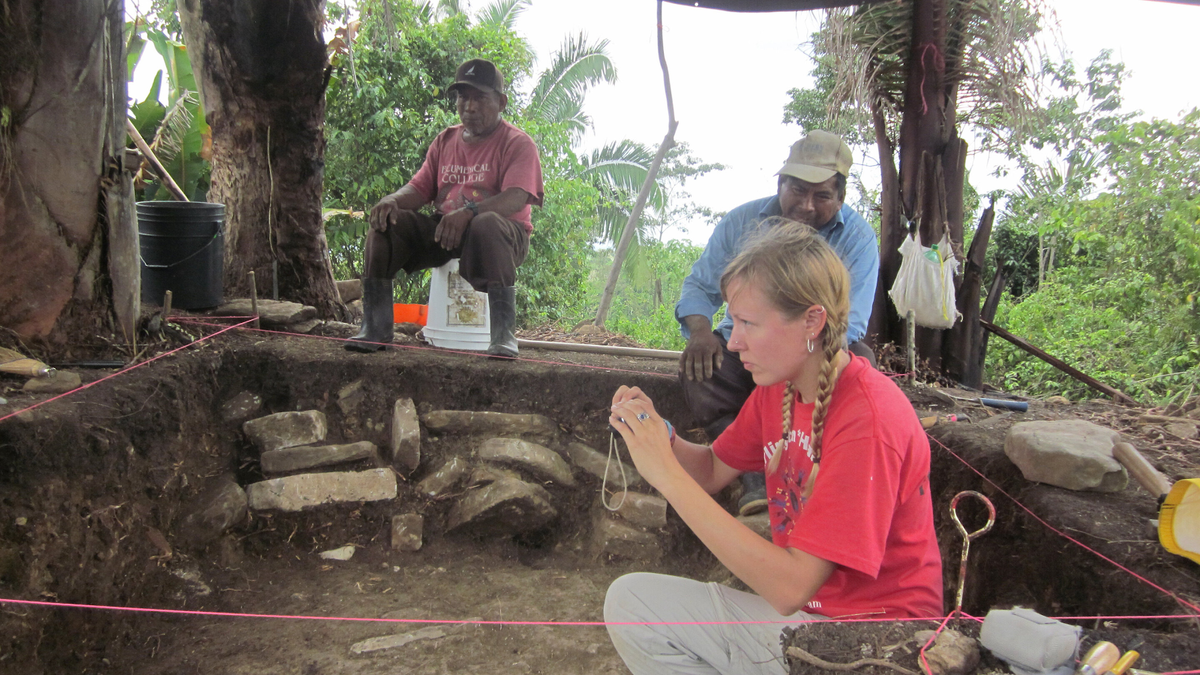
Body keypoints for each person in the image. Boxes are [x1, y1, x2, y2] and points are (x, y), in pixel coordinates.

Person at [605, 220, 941, 675]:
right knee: (631, 602)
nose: (733, 340)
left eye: (747, 323)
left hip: (873, 647)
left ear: (812, 321)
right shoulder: (779, 388)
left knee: (637, 606)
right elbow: (708, 470)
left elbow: (789, 588)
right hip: (808, 624)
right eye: (732, 320)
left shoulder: (868, 419)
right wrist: (658, 432)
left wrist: (663, 474)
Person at [675, 130, 879, 515]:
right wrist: (701, 332)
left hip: (815, 350)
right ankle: (753, 479)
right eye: (796, 190)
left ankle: (823, 477)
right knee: (702, 369)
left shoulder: (858, 239)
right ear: (780, 182)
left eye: (821, 196)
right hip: (755, 349)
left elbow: (848, 324)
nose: (805, 206)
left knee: (861, 369)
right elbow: (699, 287)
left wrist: (797, 363)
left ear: (841, 197)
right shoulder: (742, 221)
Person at [347, 58, 544, 357]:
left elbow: (516, 197)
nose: (470, 106)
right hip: (447, 230)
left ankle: (503, 336)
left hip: (500, 236)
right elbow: (419, 188)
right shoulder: (445, 140)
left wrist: (469, 213)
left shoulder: (518, 143)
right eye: (463, 97)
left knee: (486, 223)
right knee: (385, 225)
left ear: (501, 102)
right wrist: (391, 201)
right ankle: (375, 327)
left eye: (480, 97)